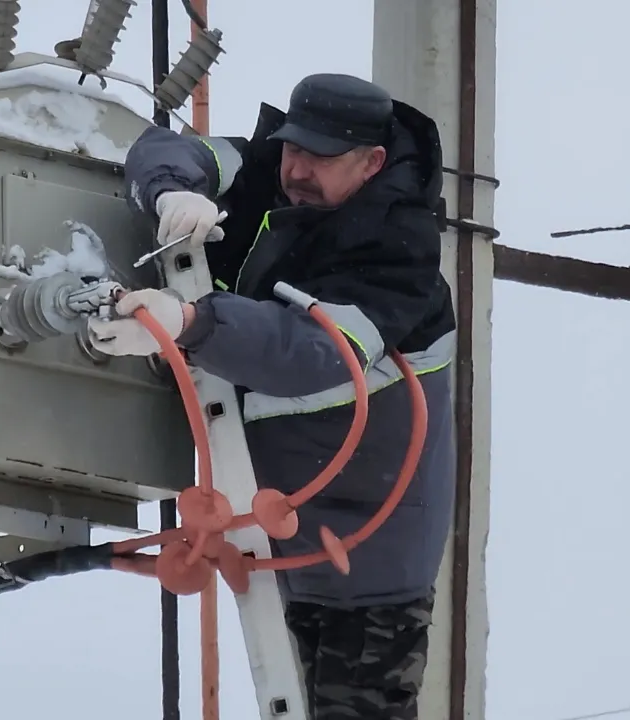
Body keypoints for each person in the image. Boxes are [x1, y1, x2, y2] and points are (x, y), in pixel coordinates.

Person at [88, 73, 457, 720]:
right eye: (293, 147)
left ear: (372, 164)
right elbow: (170, 149)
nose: (298, 168)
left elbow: (312, 352)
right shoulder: (269, 169)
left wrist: (192, 324)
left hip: (365, 567)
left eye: (321, 157)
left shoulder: (399, 253)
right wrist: (173, 188)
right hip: (280, 537)